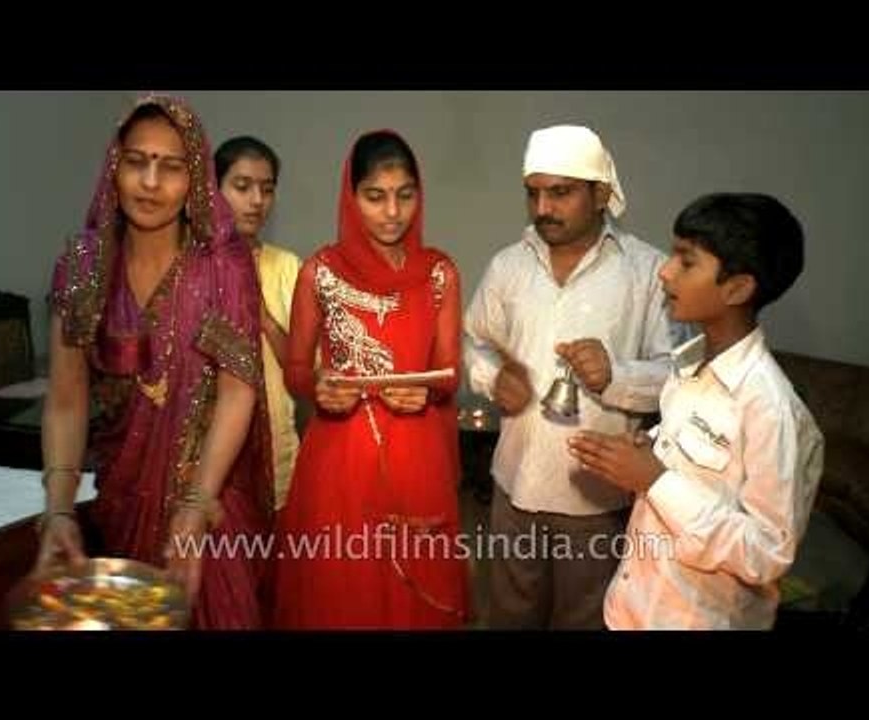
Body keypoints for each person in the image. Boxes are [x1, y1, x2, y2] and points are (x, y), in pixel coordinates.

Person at [33, 94, 274, 630]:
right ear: (114, 168)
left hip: (208, 501)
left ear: (194, 181)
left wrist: (195, 505)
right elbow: (67, 398)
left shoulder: (223, 267)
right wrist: (58, 508)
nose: (149, 182)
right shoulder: (82, 265)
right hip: (121, 500)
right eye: (136, 162)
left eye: (170, 167)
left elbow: (239, 391)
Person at [568, 192, 824, 630]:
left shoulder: (771, 408)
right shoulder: (687, 366)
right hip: (633, 607)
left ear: (738, 287)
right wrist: (644, 452)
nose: (665, 272)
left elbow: (767, 553)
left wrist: (655, 479)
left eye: (686, 261)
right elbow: (699, 471)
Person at [463, 124, 679, 629]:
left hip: (598, 500)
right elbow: (473, 340)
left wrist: (615, 375)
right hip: (513, 487)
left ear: (601, 193)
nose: (542, 208)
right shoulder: (508, 267)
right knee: (508, 618)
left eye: (560, 193)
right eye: (533, 193)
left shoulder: (648, 272)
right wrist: (492, 376)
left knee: (587, 620)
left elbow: (681, 377)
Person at [273, 129, 468, 629]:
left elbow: (450, 372)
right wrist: (318, 385)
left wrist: (427, 389)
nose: (392, 212)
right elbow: (296, 371)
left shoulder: (439, 272)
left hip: (416, 451)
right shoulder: (320, 271)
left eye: (405, 195)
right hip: (341, 460)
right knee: (344, 594)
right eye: (375, 196)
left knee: (410, 599)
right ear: (351, 196)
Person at [215, 135, 302, 511]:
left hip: (276, 451)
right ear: (213, 190)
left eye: (266, 190)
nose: (256, 201)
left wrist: (264, 319)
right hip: (206, 459)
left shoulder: (287, 267)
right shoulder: (192, 268)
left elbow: (302, 371)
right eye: (242, 186)